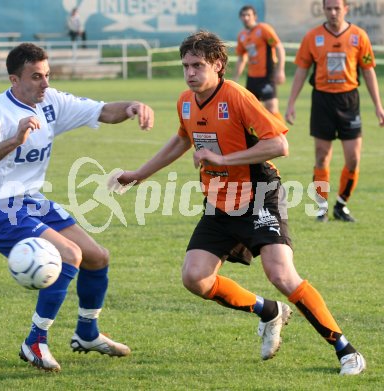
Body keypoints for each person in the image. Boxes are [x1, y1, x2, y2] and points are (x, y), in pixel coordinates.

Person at [116, 30, 365, 375]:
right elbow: (181, 140)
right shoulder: (186, 101)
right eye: (185, 65)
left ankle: (346, 350)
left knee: (281, 274)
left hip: (260, 193)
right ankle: (269, 312)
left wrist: (224, 160)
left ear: (218, 65)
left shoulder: (236, 96)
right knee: (195, 278)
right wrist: (138, 174)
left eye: (198, 65)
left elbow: (279, 145)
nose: (190, 72)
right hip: (220, 202)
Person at [0, 43, 154, 372]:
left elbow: (103, 111)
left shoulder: (50, 102)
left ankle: (87, 333)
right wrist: (15, 139)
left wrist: (133, 107)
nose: (45, 83)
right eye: (36, 77)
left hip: (32, 200)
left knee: (97, 256)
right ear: (14, 79)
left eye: (47, 75)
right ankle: (34, 342)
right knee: (70, 255)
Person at [285, 0, 384, 222]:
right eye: (328, 8)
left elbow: (368, 72)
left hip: (349, 100)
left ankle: (341, 204)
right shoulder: (312, 37)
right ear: (324, 10)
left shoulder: (359, 36)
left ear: (346, 9)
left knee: (353, 160)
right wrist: (291, 103)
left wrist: (379, 106)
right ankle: (321, 209)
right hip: (322, 101)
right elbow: (301, 71)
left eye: (337, 8)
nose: (333, 12)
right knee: (321, 157)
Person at [235, 5, 286, 120]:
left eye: (248, 15)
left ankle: (281, 136)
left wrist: (280, 70)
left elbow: (278, 47)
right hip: (252, 78)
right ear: (240, 18)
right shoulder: (241, 36)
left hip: (267, 76)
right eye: (243, 15)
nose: (246, 18)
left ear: (255, 16)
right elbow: (241, 58)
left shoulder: (263, 29)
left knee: (271, 108)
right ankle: (258, 137)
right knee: (250, 111)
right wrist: (236, 78)